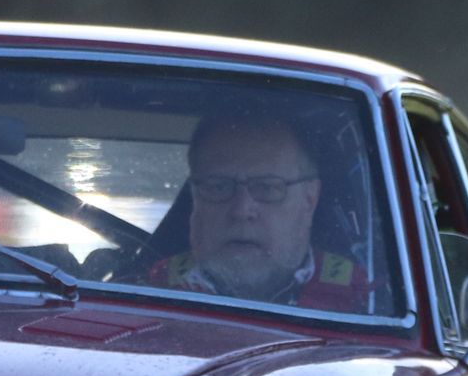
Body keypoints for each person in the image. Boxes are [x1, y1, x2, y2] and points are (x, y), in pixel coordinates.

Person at [142, 113, 374, 310]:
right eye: (218, 186)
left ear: (309, 200)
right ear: (194, 199)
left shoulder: (367, 302)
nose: (242, 210)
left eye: (267, 187)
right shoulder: (144, 294)